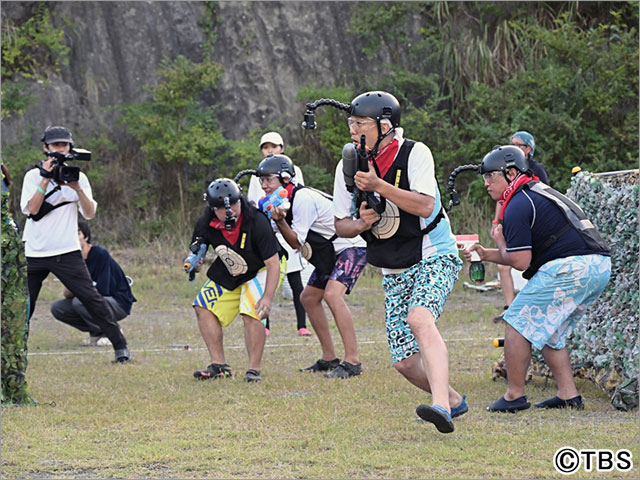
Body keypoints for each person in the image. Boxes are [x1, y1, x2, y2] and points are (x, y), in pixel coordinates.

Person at [333, 91, 466, 433]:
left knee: (419, 318)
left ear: (385, 125)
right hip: (393, 264)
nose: (352, 129)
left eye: (360, 123)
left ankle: (439, 407)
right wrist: (362, 223)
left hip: (433, 252)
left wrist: (379, 185)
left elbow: (424, 205)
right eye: (351, 122)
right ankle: (452, 399)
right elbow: (340, 226)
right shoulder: (348, 164)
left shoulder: (415, 153)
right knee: (405, 363)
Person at [465, 145, 610, 412]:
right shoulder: (536, 191)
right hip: (597, 266)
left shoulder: (518, 203)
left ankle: (514, 396)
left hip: (571, 267)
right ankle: (568, 395)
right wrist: (487, 253)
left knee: (518, 322)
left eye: (490, 177)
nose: (486, 184)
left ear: (510, 173)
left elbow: (520, 262)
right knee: (550, 331)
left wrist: (499, 241)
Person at [20, 126, 130, 363]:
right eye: (56, 145)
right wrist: (45, 179)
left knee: (91, 298)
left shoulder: (78, 177)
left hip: (66, 250)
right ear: (45, 148)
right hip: (34, 250)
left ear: (71, 148)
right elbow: (33, 209)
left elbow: (89, 213)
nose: (60, 149)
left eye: (64, 145)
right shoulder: (32, 176)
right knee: (24, 302)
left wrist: (77, 188)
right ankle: (14, 349)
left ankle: (120, 346)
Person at [258, 154, 368, 379]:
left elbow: (296, 242)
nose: (264, 185)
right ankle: (329, 357)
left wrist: (278, 221)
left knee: (333, 296)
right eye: (262, 180)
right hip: (330, 253)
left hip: (352, 247)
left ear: (285, 179)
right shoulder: (282, 203)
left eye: (269, 179)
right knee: (308, 298)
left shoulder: (302, 198)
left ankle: (352, 361)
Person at [190, 178, 286, 383]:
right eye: (223, 209)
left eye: (234, 204)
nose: (231, 211)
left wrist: (267, 297)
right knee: (202, 305)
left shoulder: (256, 220)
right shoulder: (205, 223)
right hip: (233, 265)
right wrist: (196, 263)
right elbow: (198, 249)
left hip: (263, 267)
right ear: (212, 209)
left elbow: (273, 264)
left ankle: (253, 369)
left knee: (252, 309)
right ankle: (219, 365)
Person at [247, 132, 311, 336]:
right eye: (265, 147)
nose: (269, 150)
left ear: (282, 148)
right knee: (266, 282)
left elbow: (295, 195)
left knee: (295, 281)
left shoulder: (293, 169)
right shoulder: (257, 173)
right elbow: (253, 201)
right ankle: (265, 326)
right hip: (266, 233)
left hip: (286, 229)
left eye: (273, 146)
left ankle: (302, 325)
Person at [491, 131, 550, 323]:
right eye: (512, 143)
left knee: (529, 262)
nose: (514, 147)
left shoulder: (536, 169)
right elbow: (502, 197)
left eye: (519, 144)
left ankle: (532, 307)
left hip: (529, 222)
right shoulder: (505, 169)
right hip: (512, 219)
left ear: (529, 149)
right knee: (503, 264)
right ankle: (510, 307)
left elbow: (542, 196)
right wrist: (496, 222)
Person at [50, 220, 136, 346]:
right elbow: (68, 294)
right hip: (91, 300)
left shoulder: (100, 254)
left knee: (80, 302)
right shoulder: (71, 260)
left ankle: (112, 332)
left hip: (117, 302)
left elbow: (103, 289)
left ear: (86, 237)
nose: (73, 237)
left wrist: (79, 288)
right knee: (58, 308)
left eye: (77, 233)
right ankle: (97, 333)